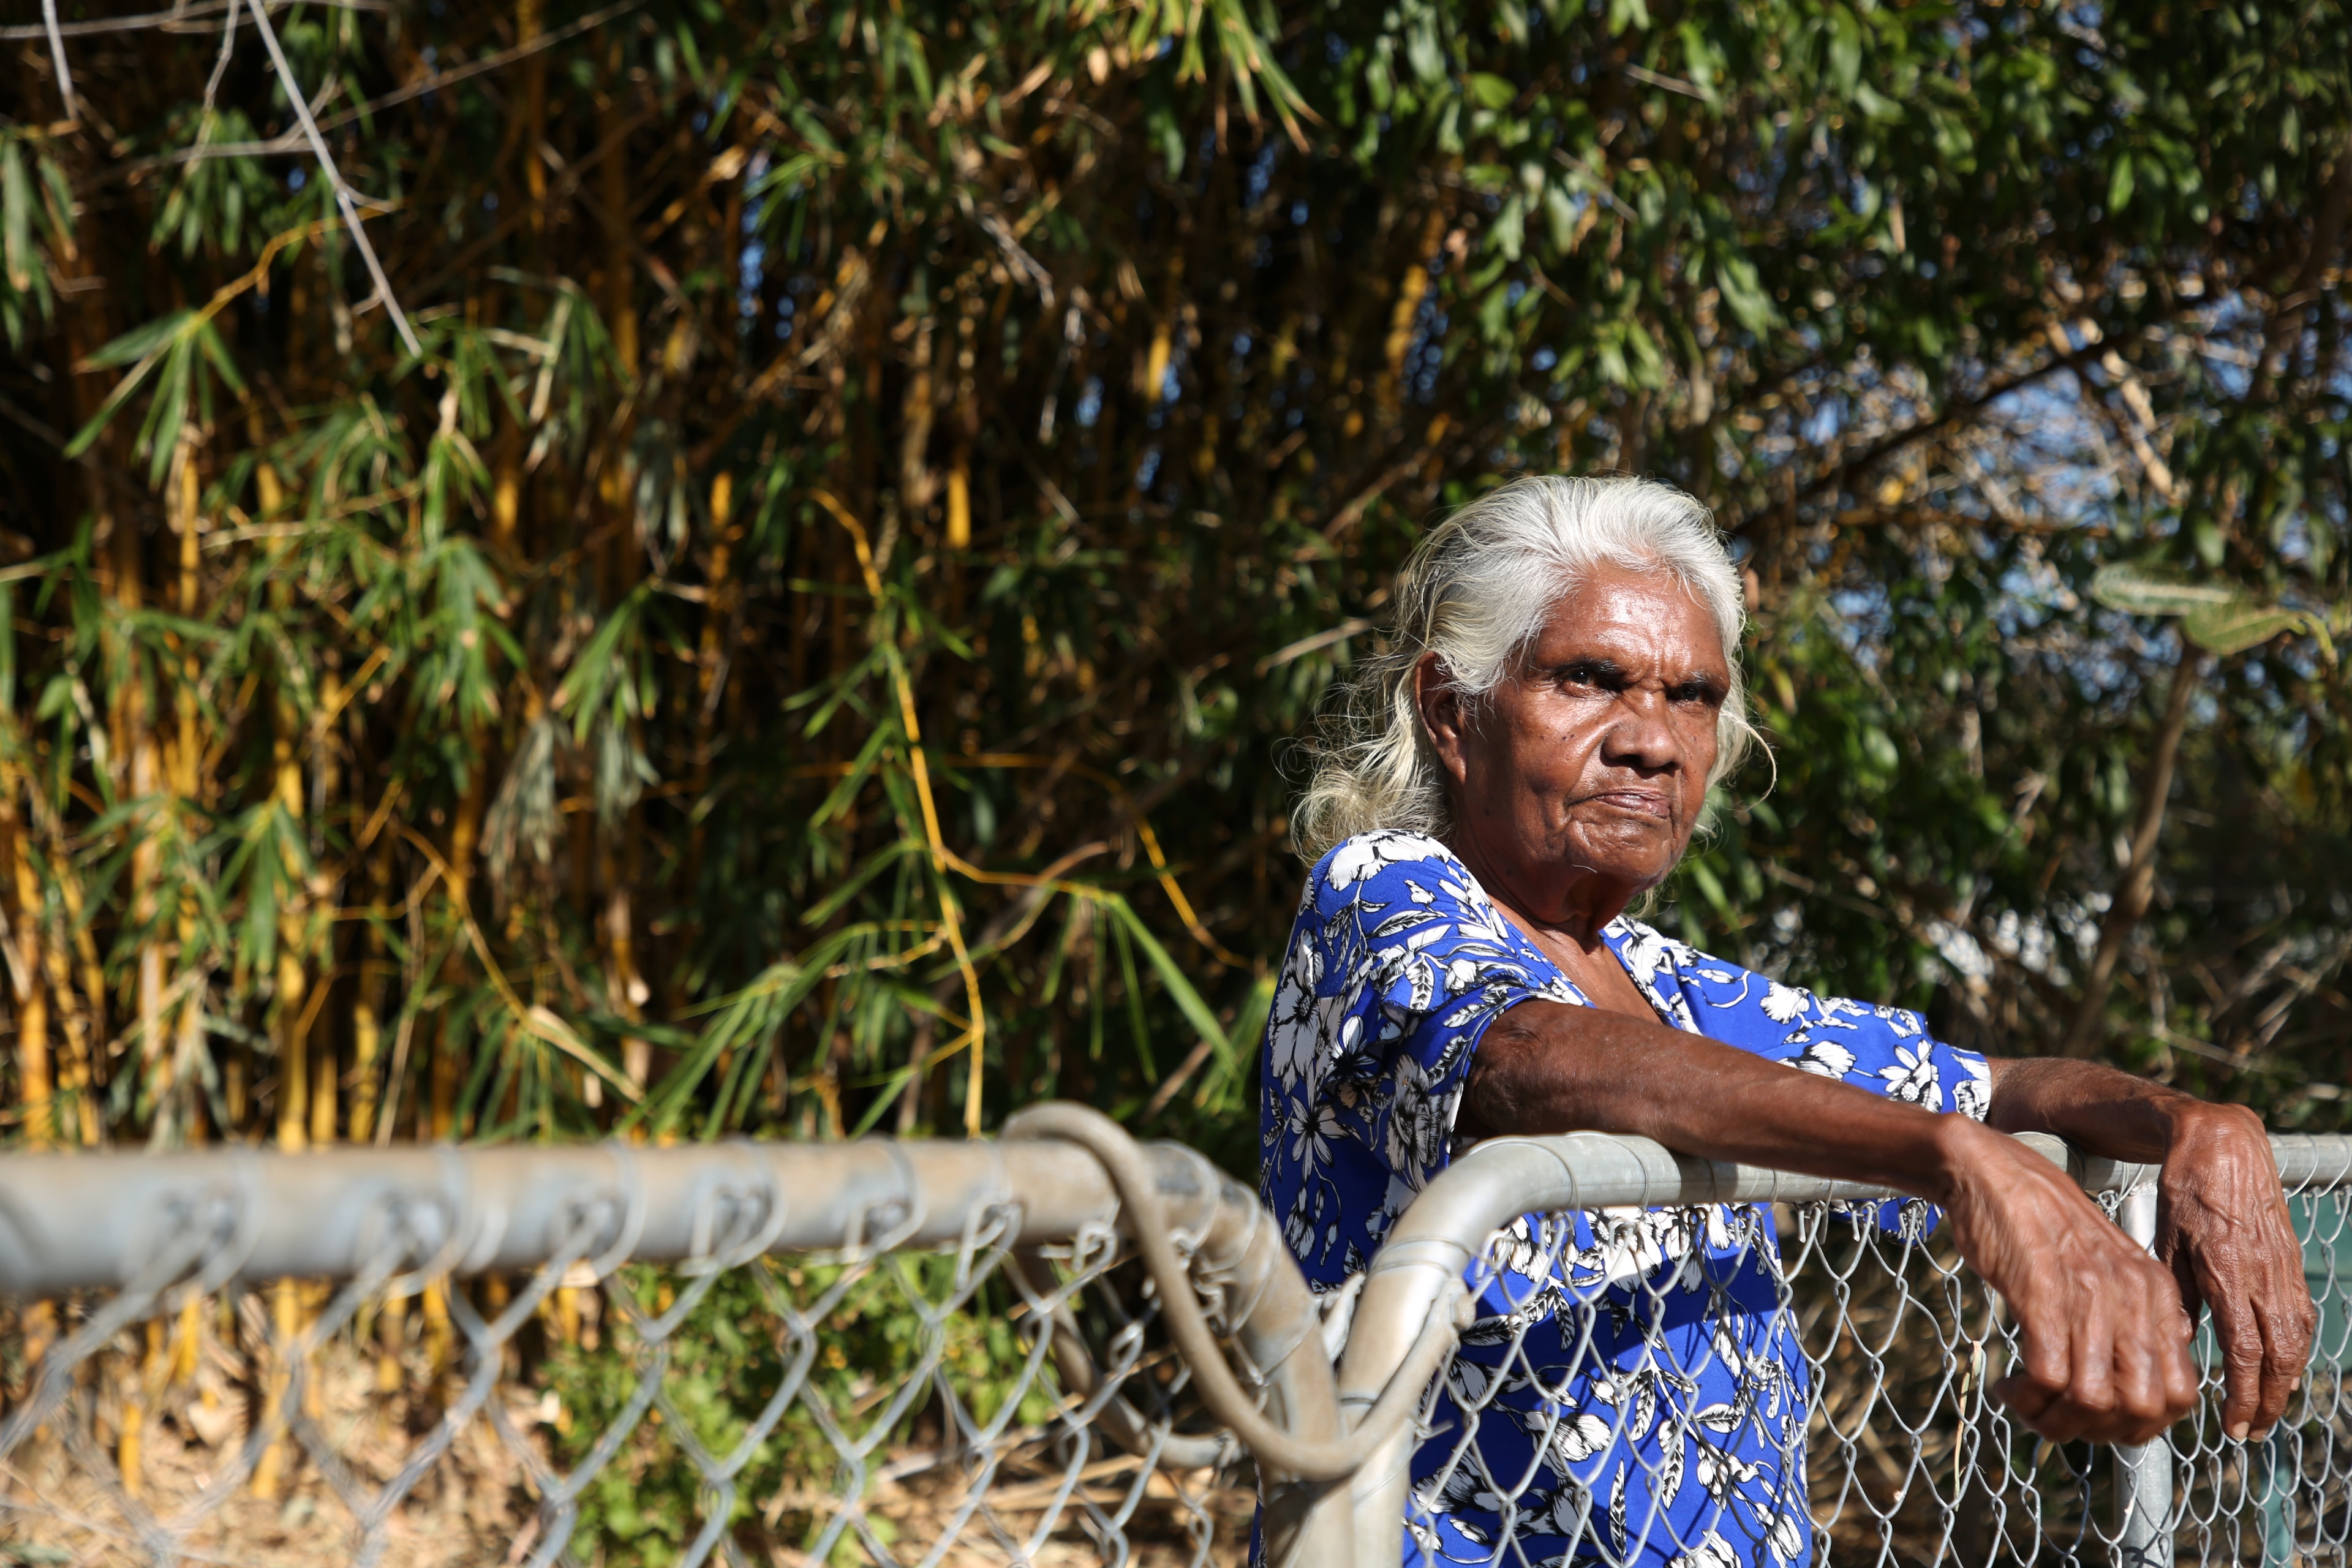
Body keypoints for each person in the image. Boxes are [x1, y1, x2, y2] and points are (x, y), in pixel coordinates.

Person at [1257, 475, 2315, 1567]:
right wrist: (1958, 1161)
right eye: (1590, 680)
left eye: (1693, 697)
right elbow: (1525, 1056)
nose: (1651, 741)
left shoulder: (1673, 991)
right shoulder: (1380, 891)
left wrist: (2202, 1123)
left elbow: (1994, 1086)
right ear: (1451, 712)